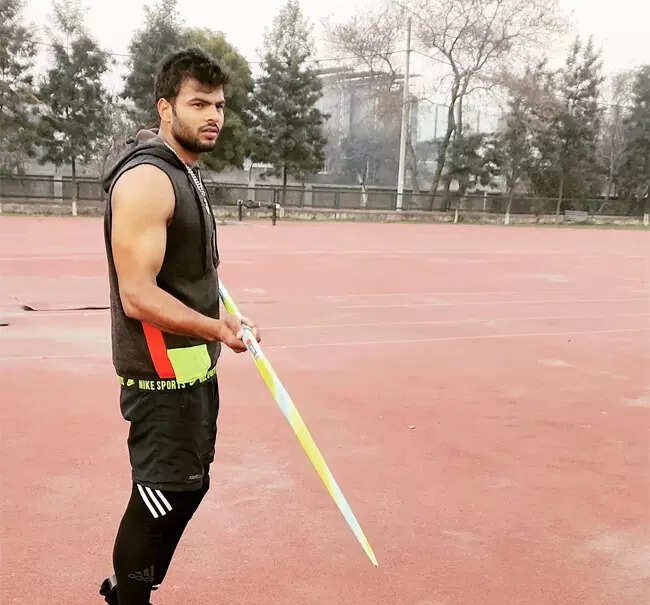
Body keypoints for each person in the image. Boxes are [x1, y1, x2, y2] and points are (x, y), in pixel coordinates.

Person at [99, 47, 260, 604]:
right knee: (160, 494)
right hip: (159, 375)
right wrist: (216, 330)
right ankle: (127, 594)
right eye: (198, 104)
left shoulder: (184, 172)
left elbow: (188, 274)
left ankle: (133, 585)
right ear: (166, 108)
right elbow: (138, 295)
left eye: (219, 105)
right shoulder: (148, 180)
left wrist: (222, 318)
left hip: (192, 371)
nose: (213, 115)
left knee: (189, 486)